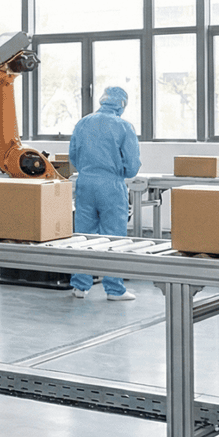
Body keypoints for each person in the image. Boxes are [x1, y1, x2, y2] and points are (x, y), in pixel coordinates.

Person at [69, 85, 141, 301]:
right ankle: (114, 289)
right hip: (111, 185)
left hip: (85, 183)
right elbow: (132, 165)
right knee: (114, 237)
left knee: (83, 236)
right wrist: (121, 173)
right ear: (122, 105)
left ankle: (80, 287)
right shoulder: (124, 126)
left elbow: (73, 155)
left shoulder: (83, 123)